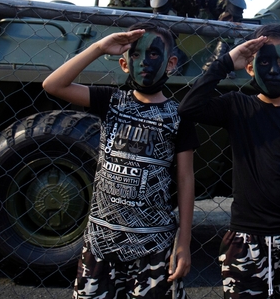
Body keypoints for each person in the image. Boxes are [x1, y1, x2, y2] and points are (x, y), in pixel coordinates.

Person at [179, 23, 280, 299]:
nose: (274, 70)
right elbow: (189, 107)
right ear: (250, 68)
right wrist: (226, 62)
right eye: (264, 61)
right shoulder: (237, 106)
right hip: (245, 243)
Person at [42, 22, 197, 299]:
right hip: (102, 243)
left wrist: (183, 242)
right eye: (136, 55)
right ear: (124, 64)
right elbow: (53, 84)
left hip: (154, 245)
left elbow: (186, 178)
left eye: (154, 54)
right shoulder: (111, 101)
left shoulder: (178, 116)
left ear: (171, 63)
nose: (145, 62)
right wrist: (99, 47)